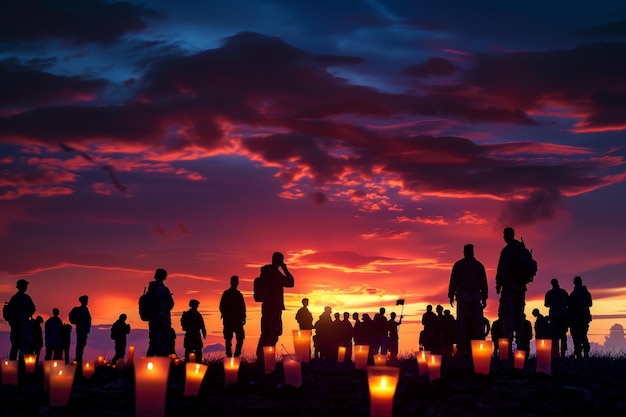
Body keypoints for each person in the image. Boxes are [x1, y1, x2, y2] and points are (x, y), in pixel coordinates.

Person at [448, 243, 489, 357]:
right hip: (475, 297)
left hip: (464, 296)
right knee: (477, 323)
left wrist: (451, 295)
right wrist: (484, 297)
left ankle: (462, 349)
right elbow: (484, 283)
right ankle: (477, 348)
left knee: (462, 323)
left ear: (464, 251)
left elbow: (453, 280)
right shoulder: (478, 265)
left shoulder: (459, 265)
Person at [254, 252, 295, 365]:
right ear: (279, 261)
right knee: (272, 333)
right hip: (273, 308)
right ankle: (267, 359)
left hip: (267, 308)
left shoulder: (266, 272)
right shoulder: (274, 274)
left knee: (266, 333)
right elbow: (291, 282)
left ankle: (262, 358)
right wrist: (285, 269)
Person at [495, 227, 531, 351]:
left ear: (506, 236)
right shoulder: (521, 248)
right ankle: (521, 345)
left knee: (507, 316)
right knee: (519, 316)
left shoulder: (507, 251)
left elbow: (501, 269)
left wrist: (498, 284)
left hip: (509, 288)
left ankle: (507, 348)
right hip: (521, 288)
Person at [146, 268, 175, 357]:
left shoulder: (150, 290)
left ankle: (146, 366)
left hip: (153, 321)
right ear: (164, 277)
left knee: (153, 345)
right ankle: (162, 367)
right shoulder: (164, 289)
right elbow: (171, 304)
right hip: (163, 320)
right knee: (163, 345)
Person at [6, 279, 36, 361]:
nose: (27, 287)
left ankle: (13, 366)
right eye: (25, 285)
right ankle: (21, 366)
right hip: (23, 327)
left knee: (15, 347)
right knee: (23, 347)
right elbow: (33, 309)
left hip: (16, 327)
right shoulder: (25, 298)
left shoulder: (14, 298)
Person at [219, 275, 246, 357]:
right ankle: (229, 355)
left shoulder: (239, 295)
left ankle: (237, 354)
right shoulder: (226, 294)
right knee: (228, 338)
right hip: (229, 320)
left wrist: (243, 317)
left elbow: (242, 307)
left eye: (236, 281)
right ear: (231, 282)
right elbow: (221, 306)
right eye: (234, 281)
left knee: (240, 337)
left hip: (237, 320)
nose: (235, 283)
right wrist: (225, 315)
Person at [544, 278, 569, 359]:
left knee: (554, 336)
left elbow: (546, 304)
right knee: (563, 335)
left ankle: (555, 354)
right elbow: (568, 303)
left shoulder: (549, 293)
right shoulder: (563, 292)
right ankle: (563, 354)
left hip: (554, 316)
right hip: (563, 316)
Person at [569, 276, 593, 359]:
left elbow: (571, 306)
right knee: (584, 335)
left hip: (576, 318)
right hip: (585, 317)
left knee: (577, 336)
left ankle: (578, 355)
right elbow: (590, 304)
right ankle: (586, 354)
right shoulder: (587, 293)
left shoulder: (574, 293)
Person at [69, 295, 91, 363]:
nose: (87, 301)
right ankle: (78, 359)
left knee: (81, 345)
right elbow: (87, 320)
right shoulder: (82, 310)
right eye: (86, 300)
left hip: (81, 329)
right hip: (82, 329)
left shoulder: (84, 309)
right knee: (80, 345)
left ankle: (79, 358)